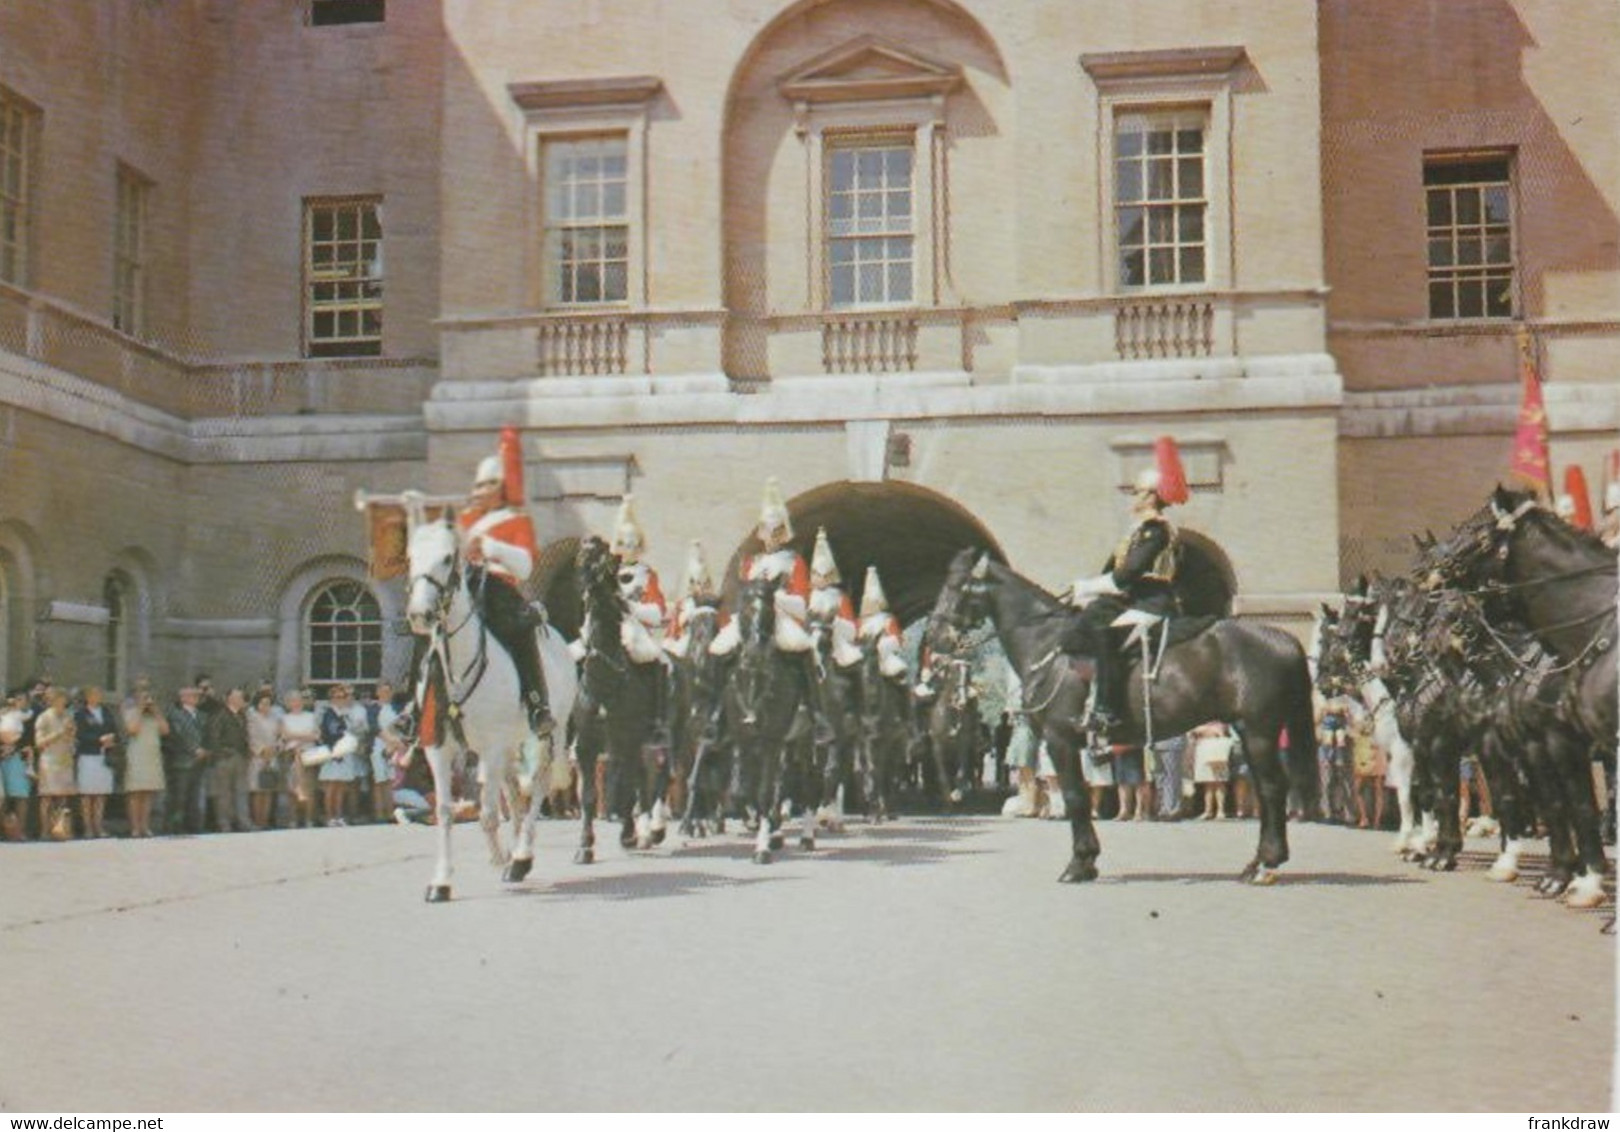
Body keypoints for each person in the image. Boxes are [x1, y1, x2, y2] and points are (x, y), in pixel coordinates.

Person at [1067, 436, 1189, 737]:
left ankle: (1108, 711)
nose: (1134, 498)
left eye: (1138, 493)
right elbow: (1112, 571)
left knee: (1107, 636)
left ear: (1150, 497)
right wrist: (1085, 593)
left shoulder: (1157, 530)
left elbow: (1127, 574)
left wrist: (1085, 586)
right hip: (1134, 602)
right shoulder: (1138, 532)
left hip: (1152, 604)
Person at [457, 427, 554, 738]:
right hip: (465, 587)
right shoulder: (466, 520)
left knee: (519, 632)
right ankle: (415, 710)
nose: (482, 489)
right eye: (480, 483)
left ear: (502, 487)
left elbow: (525, 566)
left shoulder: (516, 520)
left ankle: (537, 704)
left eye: (490, 483)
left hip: (499, 589)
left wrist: (492, 548)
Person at [806, 527, 862, 672]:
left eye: (826, 576)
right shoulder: (807, 594)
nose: (822, 579)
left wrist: (834, 622)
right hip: (809, 632)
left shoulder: (839, 597)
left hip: (833, 636)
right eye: (818, 575)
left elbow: (850, 627)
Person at [317, 683, 368, 828]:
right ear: (331, 699)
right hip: (334, 753)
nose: (340, 699)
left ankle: (338, 816)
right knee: (331, 786)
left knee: (341, 786)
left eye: (343, 697)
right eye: (337, 697)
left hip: (346, 752)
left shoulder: (347, 713)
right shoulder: (329, 713)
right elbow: (330, 733)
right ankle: (329, 817)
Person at [120, 685, 168, 838]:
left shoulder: (154, 714)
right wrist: (140, 709)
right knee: (136, 792)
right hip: (136, 755)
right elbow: (132, 729)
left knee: (148, 791)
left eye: (148, 697)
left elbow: (165, 730)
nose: (147, 700)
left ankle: (145, 826)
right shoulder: (130, 711)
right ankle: (135, 827)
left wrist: (156, 711)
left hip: (152, 755)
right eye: (143, 697)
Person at [204, 687, 254, 832]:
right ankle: (224, 823)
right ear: (230, 699)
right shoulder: (220, 715)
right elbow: (213, 738)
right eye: (238, 697)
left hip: (241, 757)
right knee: (224, 792)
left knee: (241, 791)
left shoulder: (242, 715)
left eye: (241, 697)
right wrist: (223, 753)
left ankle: (243, 821)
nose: (241, 700)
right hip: (225, 759)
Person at [73, 685, 120, 839]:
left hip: (104, 756)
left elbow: (115, 730)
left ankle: (98, 825)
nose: (98, 697)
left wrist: (112, 739)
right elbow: (80, 735)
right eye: (94, 694)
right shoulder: (80, 714)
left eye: (100, 694)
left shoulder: (106, 712)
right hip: (88, 755)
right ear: (87, 696)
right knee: (87, 794)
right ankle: (87, 827)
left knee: (101, 793)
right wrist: (98, 740)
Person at [162, 686, 208, 834]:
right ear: (182, 698)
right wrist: (194, 749)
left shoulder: (202, 715)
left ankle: (192, 825)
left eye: (196, 695)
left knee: (194, 795)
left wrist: (206, 748)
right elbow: (178, 735)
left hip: (200, 760)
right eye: (191, 695)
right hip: (182, 760)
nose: (195, 697)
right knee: (179, 795)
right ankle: (175, 826)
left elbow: (208, 734)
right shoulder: (175, 714)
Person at [34, 688, 77, 840]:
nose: (63, 701)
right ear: (51, 700)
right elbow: (39, 742)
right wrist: (60, 732)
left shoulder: (68, 716)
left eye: (64, 698)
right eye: (59, 698)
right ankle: (44, 831)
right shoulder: (43, 718)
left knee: (62, 797)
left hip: (64, 759)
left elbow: (72, 738)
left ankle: (59, 830)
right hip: (49, 761)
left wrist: (71, 736)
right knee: (47, 797)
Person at [664, 540, 719, 659]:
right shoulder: (683, 604)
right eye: (696, 583)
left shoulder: (714, 604)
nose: (701, 587)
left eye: (705, 583)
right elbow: (673, 630)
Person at [279, 689, 321, 829]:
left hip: (308, 754)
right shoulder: (285, 718)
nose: (296, 703)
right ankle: (293, 820)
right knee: (292, 788)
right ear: (288, 703)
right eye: (293, 701)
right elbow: (284, 736)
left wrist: (295, 736)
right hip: (291, 755)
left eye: (299, 700)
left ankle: (309, 819)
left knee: (309, 788)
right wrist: (304, 736)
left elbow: (315, 736)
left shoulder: (311, 716)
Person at [857, 567, 908, 683]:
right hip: (866, 653)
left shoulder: (888, 619)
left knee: (896, 671)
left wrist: (882, 645)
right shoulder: (860, 621)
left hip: (885, 655)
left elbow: (897, 639)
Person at [246, 689, 281, 831]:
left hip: (272, 756)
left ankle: (265, 821)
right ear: (257, 704)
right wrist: (262, 751)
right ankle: (257, 821)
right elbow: (250, 737)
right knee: (258, 790)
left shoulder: (274, 718)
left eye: (268, 703)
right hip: (258, 757)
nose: (265, 706)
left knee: (268, 789)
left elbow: (280, 736)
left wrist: (276, 748)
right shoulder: (252, 717)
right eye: (263, 703)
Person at [1, 702, 34, 840]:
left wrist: (16, 745)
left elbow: (28, 736)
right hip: (4, 756)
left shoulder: (22, 716)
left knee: (18, 796)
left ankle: (17, 830)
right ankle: (7, 829)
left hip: (16, 757)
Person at [1192, 721, 1233, 820]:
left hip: (1218, 752)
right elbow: (1195, 731)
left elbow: (1222, 731)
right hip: (1204, 750)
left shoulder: (1221, 720)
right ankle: (1208, 810)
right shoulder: (1200, 718)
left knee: (1220, 782)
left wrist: (1206, 730)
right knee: (1208, 783)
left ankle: (1220, 810)